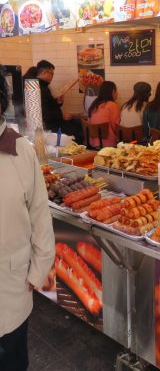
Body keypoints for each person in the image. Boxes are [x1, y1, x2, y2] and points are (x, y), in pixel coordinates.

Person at [0, 65, 55, 370]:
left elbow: (40, 216)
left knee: (13, 360)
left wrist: (37, 273)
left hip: (10, 287)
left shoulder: (21, 151)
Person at [36, 60, 83, 143]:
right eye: (52, 74)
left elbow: (50, 105)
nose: (52, 77)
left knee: (76, 123)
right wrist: (62, 116)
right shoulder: (39, 88)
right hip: (50, 126)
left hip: (54, 122)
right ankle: (76, 153)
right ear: (45, 72)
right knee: (77, 128)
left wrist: (58, 102)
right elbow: (44, 113)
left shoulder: (44, 87)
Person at [88, 81, 120, 147]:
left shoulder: (95, 104)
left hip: (92, 143)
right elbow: (116, 127)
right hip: (108, 144)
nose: (117, 94)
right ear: (113, 91)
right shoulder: (113, 105)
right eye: (116, 91)